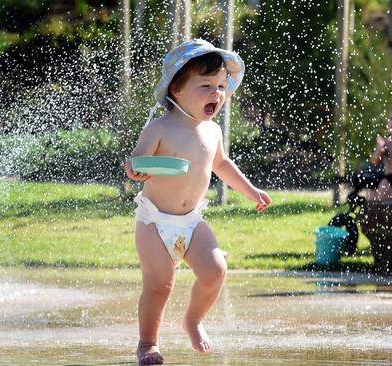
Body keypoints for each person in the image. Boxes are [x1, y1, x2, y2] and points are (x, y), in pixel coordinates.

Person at [124, 39, 272, 364]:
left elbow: (221, 165)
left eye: (221, 86)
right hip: (154, 221)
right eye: (205, 85)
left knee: (216, 270)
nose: (216, 94)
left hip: (191, 220)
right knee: (160, 285)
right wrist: (136, 169)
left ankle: (193, 320)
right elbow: (136, 161)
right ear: (176, 89)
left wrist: (251, 191)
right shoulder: (159, 127)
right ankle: (148, 343)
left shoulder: (213, 131)